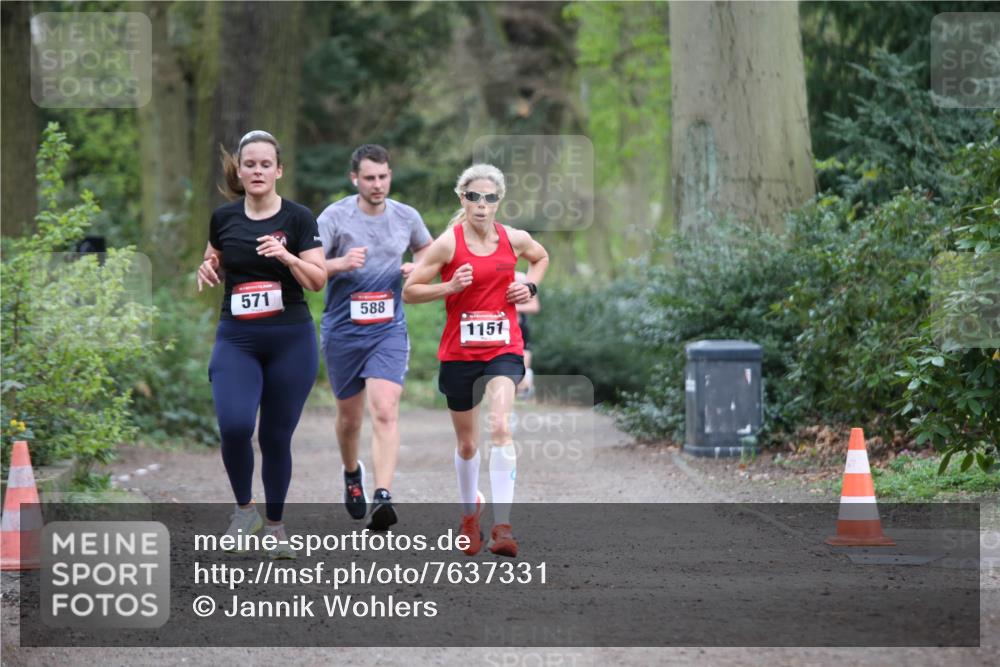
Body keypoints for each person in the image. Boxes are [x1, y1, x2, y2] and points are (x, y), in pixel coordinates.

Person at [403, 164, 548, 558]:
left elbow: (540, 257)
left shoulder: (514, 238)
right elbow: (410, 291)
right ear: (462, 199)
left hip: (504, 348)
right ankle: (470, 516)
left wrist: (530, 286)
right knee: (468, 445)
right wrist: (449, 287)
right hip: (460, 353)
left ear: (499, 201)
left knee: (500, 426)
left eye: (489, 198)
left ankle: (503, 527)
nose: (481, 205)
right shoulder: (447, 244)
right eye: (473, 197)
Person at [196, 130, 326, 559]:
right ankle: (244, 511)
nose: (257, 171)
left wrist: (286, 256)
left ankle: (275, 527)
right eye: (249, 164)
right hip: (238, 337)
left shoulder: (298, 218)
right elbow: (215, 258)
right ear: (239, 170)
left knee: (274, 436)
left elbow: (318, 280)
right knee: (234, 426)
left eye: (265, 164)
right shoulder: (223, 218)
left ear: (278, 171)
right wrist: (207, 269)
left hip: (291, 339)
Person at [317, 144, 432, 530]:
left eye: (383, 177)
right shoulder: (334, 217)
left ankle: (383, 495)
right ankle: (352, 473)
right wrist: (340, 263)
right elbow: (309, 268)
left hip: (388, 328)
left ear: (390, 176)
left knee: (385, 409)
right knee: (350, 419)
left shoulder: (406, 216)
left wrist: (417, 267)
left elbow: (428, 250)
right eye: (369, 178)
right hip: (343, 330)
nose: (378, 184)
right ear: (355, 179)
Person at [514, 271, 540, 399]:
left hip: (520, 328)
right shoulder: (492, 275)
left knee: (523, 367)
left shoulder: (521, 278)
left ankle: (525, 386)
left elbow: (535, 306)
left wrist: (512, 308)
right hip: (500, 330)